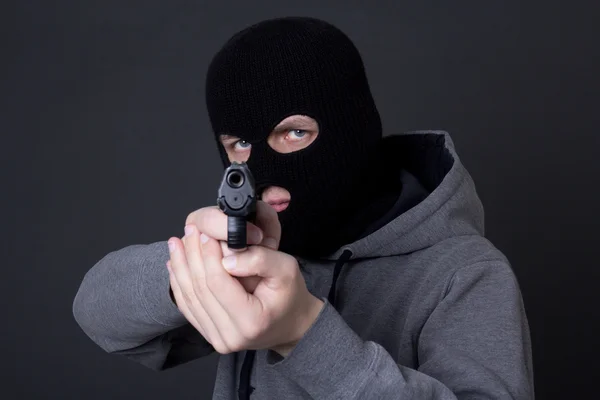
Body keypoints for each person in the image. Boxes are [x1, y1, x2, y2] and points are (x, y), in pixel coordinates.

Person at [73, 16, 534, 399]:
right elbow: (99, 314)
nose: (264, 165)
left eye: (294, 132)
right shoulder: (261, 250)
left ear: (352, 126)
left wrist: (302, 331)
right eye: (241, 143)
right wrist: (195, 261)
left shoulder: (465, 273)